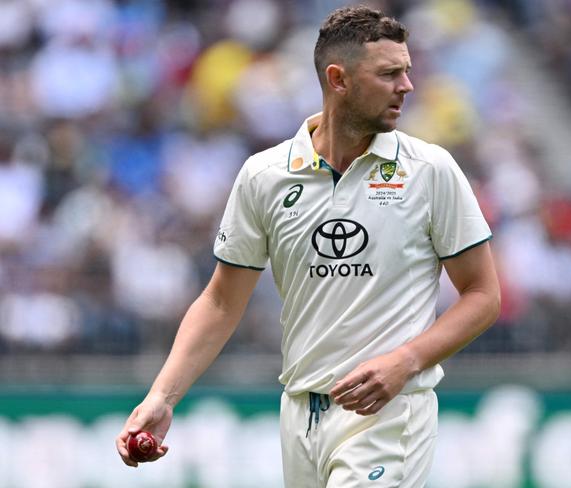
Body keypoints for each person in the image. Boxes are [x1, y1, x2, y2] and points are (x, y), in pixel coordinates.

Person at [116, 6, 500, 487]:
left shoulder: (431, 170)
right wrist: (163, 395)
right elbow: (220, 300)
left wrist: (407, 360)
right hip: (299, 416)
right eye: (389, 74)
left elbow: (484, 295)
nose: (407, 86)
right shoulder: (265, 175)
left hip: (388, 413)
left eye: (407, 71)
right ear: (338, 79)